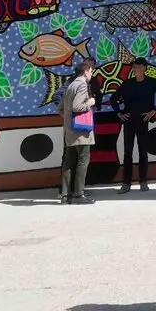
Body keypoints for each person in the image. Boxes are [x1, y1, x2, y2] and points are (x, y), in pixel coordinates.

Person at [115, 58, 156, 192]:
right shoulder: (127, 83)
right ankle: (126, 183)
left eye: (138, 66)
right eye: (134, 67)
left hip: (143, 121)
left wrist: (154, 110)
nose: (135, 69)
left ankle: (143, 181)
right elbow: (113, 99)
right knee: (127, 153)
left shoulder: (151, 82)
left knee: (143, 152)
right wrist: (119, 113)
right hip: (129, 121)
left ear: (144, 67)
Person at [59, 54, 97, 204]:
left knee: (69, 161)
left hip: (69, 129)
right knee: (83, 160)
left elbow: (60, 108)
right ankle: (78, 194)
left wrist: (68, 119)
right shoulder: (81, 85)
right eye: (91, 71)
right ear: (86, 71)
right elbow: (77, 106)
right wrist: (90, 102)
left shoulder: (69, 86)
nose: (92, 74)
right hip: (81, 130)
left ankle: (65, 195)